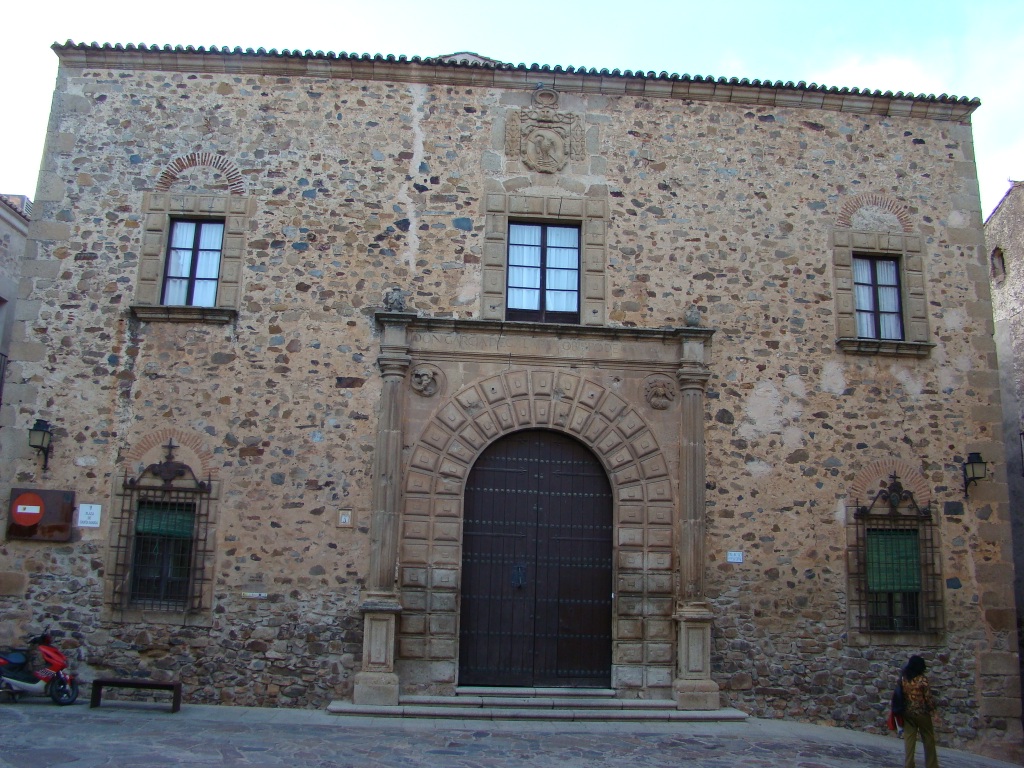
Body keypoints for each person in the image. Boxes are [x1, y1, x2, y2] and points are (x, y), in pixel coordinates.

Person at [901, 655, 939, 768]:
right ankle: (932, 765)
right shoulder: (922, 680)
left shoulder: (904, 679)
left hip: (907, 712)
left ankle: (909, 764)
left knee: (909, 739)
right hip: (922, 712)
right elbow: (928, 698)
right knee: (928, 738)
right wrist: (934, 713)